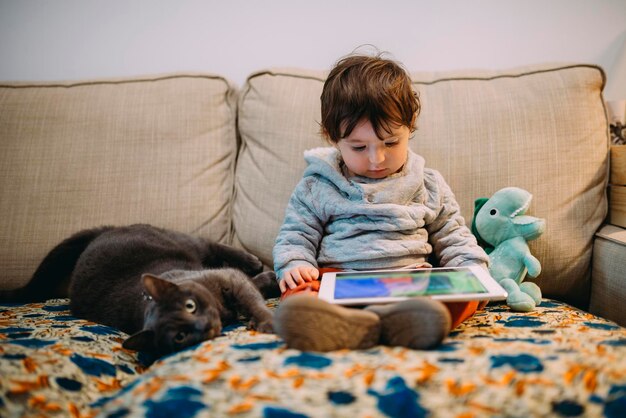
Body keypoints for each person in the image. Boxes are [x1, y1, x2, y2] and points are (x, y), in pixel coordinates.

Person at [272, 51, 490, 352]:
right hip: (337, 281)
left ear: (410, 125)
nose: (377, 159)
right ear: (331, 136)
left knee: (464, 294)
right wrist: (294, 262)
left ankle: (391, 324)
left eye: (391, 142)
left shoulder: (428, 184)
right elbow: (296, 233)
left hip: (411, 285)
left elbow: (453, 235)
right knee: (297, 293)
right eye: (359, 147)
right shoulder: (317, 186)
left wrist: (472, 269)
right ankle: (343, 324)